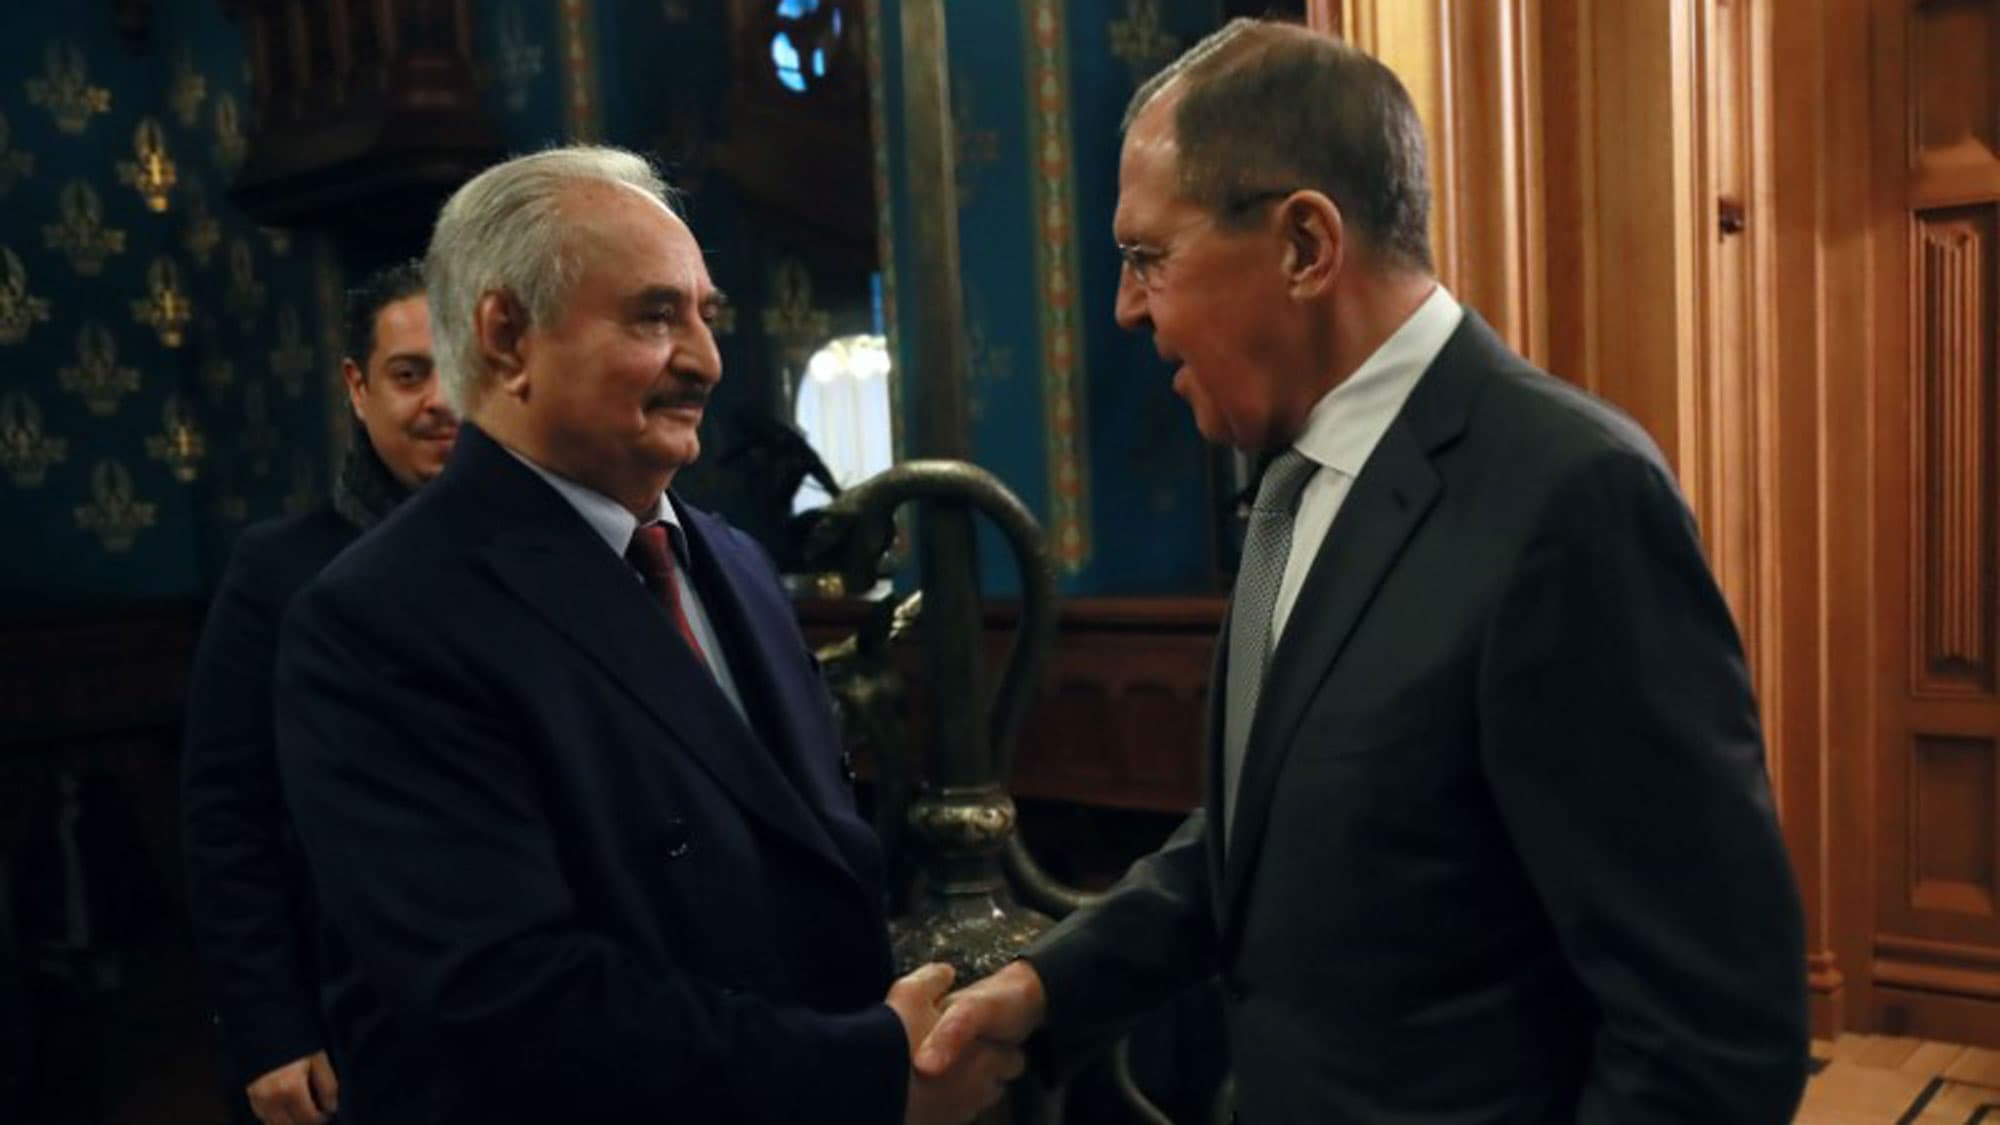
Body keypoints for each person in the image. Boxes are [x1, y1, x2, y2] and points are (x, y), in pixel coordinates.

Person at [919, 20, 1810, 1124]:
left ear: (1304, 245)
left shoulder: (1571, 500)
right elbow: (1271, 831)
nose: (1126, 308)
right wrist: (1045, 989)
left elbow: (1710, 1032)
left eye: (1149, 257)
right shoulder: (1292, 481)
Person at [271, 146, 1019, 1124]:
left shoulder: (738, 565)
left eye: (703, 315)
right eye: (654, 316)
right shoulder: (379, 618)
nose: (706, 360)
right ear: (505, 336)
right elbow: (513, 1001)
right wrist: (860, 1073)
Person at [182, 260, 454, 1125]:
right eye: (409, 374)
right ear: (357, 388)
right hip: (339, 1016)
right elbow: (227, 811)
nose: (439, 402)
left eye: (459, 370)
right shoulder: (279, 566)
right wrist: (268, 1026)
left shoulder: (540, 550)